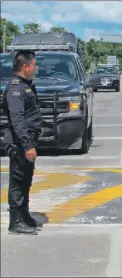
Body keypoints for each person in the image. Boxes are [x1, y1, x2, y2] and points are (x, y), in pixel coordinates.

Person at [2, 50, 43, 235]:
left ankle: (24, 215)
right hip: (19, 143)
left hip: (27, 141)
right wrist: (27, 145)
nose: (36, 68)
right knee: (18, 181)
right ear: (25, 67)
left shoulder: (26, 86)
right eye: (34, 65)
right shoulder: (16, 89)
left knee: (26, 180)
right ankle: (15, 222)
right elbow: (17, 119)